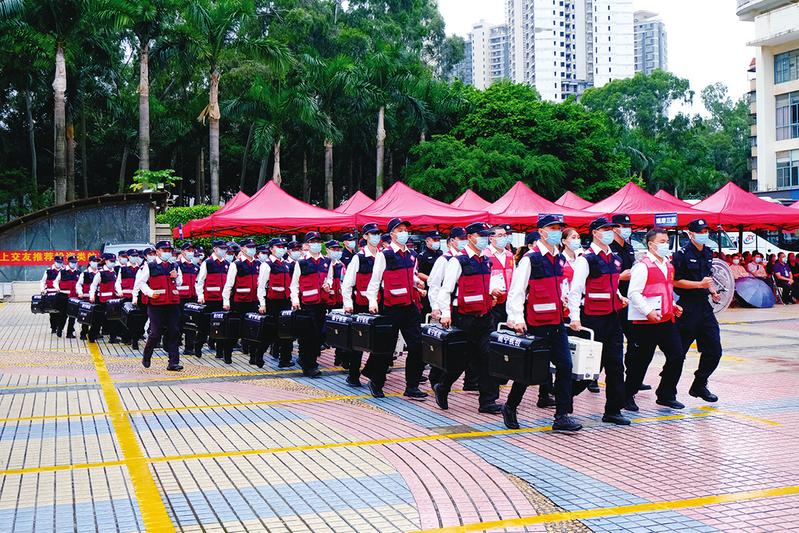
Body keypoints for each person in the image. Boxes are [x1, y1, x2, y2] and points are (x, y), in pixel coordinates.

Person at [503, 214, 581, 432]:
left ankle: (562, 416)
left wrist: (564, 298)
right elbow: (516, 291)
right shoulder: (530, 258)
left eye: (559, 228)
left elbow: (562, 285)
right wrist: (516, 318)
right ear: (541, 232)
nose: (557, 231)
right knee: (531, 371)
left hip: (557, 322)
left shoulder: (559, 258)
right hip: (536, 323)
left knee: (565, 365)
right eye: (552, 228)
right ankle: (510, 406)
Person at [568, 217, 631, 426]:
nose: (609, 232)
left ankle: (613, 410)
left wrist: (620, 297)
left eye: (610, 229)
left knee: (615, 366)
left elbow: (611, 286)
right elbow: (575, 291)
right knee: (587, 370)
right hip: (592, 319)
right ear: (595, 232)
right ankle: (563, 403)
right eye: (605, 229)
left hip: (612, 318)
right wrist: (575, 318)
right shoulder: (586, 259)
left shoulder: (613, 258)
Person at [433, 222, 501, 414]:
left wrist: (491, 295)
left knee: (488, 356)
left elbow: (484, 285)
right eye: (482, 235)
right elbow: (446, 290)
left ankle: (488, 401)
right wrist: (445, 313)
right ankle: (443, 386)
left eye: (487, 235)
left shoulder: (486, 260)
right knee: (461, 360)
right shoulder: (458, 261)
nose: (485, 239)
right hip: (464, 317)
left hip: (485, 317)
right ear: (470, 237)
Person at [623, 228, 686, 412]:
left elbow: (665, 290)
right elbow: (633, 293)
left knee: (677, 356)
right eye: (662, 241)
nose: (666, 244)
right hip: (645, 323)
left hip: (666, 320)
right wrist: (648, 311)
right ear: (651, 244)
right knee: (641, 362)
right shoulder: (642, 266)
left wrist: (673, 305)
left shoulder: (668, 264)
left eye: (667, 241)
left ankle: (666, 394)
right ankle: (628, 394)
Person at [364, 218, 427, 400]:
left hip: (410, 307)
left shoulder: (411, 255)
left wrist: (418, 285)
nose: (403, 232)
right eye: (399, 229)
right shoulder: (385, 255)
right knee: (386, 348)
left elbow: (411, 276)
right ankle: (376, 382)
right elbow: (375, 281)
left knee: (416, 347)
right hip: (391, 308)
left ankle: (412, 386)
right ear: (391, 234)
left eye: (405, 229)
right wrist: (372, 301)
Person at [672, 218, 723, 403]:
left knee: (714, 349)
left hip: (704, 306)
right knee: (678, 353)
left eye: (705, 231)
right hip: (687, 307)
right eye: (700, 232)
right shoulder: (681, 254)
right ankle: (667, 392)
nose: (704, 234)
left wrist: (712, 290)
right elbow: (675, 281)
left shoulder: (708, 252)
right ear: (690, 234)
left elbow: (707, 277)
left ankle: (699, 384)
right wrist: (699, 285)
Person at [425, 227, 468, 388]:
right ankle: (436, 376)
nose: (463, 241)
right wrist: (436, 307)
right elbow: (434, 285)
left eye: (465, 238)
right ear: (451, 241)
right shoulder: (445, 259)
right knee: (447, 345)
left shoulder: (468, 258)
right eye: (460, 238)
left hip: (462, 306)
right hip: (447, 307)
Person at [342, 223, 383, 387]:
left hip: (380, 304)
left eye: (378, 233)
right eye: (372, 234)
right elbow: (348, 283)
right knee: (358, 343)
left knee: (380, 341)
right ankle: (353, 376)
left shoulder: (383, 255)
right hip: (361, 305)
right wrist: (347, 303)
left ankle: (369, 370)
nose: (376, 237)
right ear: (365, 236)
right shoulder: (358, 257)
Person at [135, 241, 182, 371]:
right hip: (156, 304)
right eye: (164, 250)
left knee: (174, 331)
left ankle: (173, 362)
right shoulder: (150, 266)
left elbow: (179, 282)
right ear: (157, 251)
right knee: (156, 333)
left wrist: (176, 277)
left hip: (172, 303)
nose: (167, 252)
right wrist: (150, 293)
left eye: (169, 250)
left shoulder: (174, 265)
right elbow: (141, 283)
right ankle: (147, 355)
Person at [289, 231, 330, 377]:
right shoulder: (301, 262)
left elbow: (329, 279)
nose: (317, 244)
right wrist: (295, 300)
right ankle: (309, 365)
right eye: (313, 242)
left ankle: (306, 360)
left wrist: (328, 286)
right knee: (308, 336)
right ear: (306, 245)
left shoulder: (327, 261)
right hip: (306, 304)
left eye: (319, 242)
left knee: (320, 335)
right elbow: (294, 284)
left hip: (322, 303)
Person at [608, 214, 641, 394]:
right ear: (614, 228)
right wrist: (620, 277)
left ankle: (632, 376)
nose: (627, 228)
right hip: (614, 300)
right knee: (612, 344)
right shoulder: (608, 248)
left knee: (635, 341)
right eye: (623, 225)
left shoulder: (629, 247)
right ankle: (595, 379)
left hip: (631, 301)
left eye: (628, 225)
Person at [223, 238, 261, 363]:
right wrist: (226, 301)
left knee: (254, 329)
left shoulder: (258, 264)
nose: (252, 249)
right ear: (243, 248)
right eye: (249, 247)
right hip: (238, 302)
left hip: (254, 301)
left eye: (253, 246)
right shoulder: (236, 264)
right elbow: (228, 285)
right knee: (234, 330)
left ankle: (253, 356)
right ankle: (227, 354)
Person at [258, 238, 295, 368]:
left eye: (283, 247)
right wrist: (262, 303)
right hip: (272, 302)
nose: (281, 249)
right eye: (278, 246)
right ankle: (259, 354)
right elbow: (261, 286)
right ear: (271, 249)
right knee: (270, 332)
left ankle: (285, 359)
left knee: (287, 331)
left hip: (285, 301)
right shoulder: (267, 264)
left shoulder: (286, 264)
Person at [194, 240, 230, 359]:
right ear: (215, 249)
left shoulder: (227, 264)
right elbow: (200, 281)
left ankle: (220, 351)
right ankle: (198, 345)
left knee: (222, 326)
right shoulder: (207, 263)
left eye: (225, 248)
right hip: (209, 299)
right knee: (205, 325)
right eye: (221, 248)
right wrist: (200, 296)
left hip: (222, 300)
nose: (224, 250)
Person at [486, 224, 514, 327]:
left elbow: (513, 277)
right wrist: (490, 290)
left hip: (508, 299)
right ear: (491, 238)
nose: (504, 238)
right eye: (500, 235)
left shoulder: (510, 255)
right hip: (492, 299)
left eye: (505, 235)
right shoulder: (485, 254)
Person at [176, 242, 201, 356]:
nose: (191, 252)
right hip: (179, 300)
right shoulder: (177, 266)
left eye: (192, 250)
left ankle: (189, 348)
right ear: (182, 252)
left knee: (191, 324)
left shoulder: (196, 268)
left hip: (192, 299)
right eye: (188, 250)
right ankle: (174, 346)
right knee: (178, 323)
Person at [115, 249, 143, 348]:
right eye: (133, 255)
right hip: (126, 297)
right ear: (128, 257)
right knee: (126, 318)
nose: (135, 257)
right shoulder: (122, 269)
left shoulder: (141, 269)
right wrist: (119, 291)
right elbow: (118, 282)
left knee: (137, 319)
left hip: (138, 298)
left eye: (136, 255)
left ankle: (135, 337)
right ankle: (125, 337)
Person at [89, 253, 119, 342]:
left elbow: (116, 285)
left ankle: (113, 338)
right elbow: (93, 285)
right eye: (111, 261)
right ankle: (91, 336)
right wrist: (92, 296)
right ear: (106, 261)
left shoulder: (114, 272)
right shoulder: (100, 273)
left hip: (112, 299)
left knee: (113, 319)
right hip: (101, 299)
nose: (113, 263)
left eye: (114, 261)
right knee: (97, 319)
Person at [53, 255, 81, 338]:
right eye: (72, 262)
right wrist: (57, 288)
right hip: (63, 296)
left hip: (74, 297)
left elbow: (80, 284)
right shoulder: (62, 272)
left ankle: (70, 333)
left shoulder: (78, 273)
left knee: (73, 316)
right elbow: (55, 281)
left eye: (75, 262)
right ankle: (60, 329)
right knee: (63, 315)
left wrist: (80, 293)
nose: (74, 264)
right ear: (68, 262)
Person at [417, 230, 443, 316]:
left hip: (440, 287)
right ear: (427, 241)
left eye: (438, 240)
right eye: (435, 240)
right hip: (428, 287)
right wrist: (431, 279)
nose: (437, 242)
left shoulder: (440, 253)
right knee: (427, 312)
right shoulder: (422, 255)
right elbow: (419, 273)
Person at [76, 255, 99, 340]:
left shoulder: (100, 272)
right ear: (89, 262)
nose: (96, 263)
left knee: (96, 317)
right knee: (86, 316)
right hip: (86, 297)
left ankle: (94, 333)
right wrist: (80, 293)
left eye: (97, 261)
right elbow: (78, 284)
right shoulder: (85, 273)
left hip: (97, 297)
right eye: (94, 261)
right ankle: (83, 333)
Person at [40, 255, 64, 334]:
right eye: (58, 262)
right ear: (54, 262)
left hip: (60, 294)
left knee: (60, 311)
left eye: (61, 262)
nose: (59, 264)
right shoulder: (49, 271)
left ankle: (58, 327)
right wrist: (42, 289)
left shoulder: (64, 270)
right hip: (50, 293)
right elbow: (43, 281)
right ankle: (53, 327)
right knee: (52, 312)